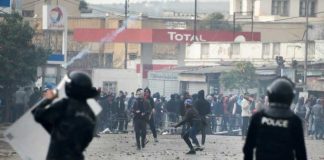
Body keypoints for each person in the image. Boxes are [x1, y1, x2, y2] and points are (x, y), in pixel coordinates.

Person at [32, 71, 98, 160]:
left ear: (70, 87)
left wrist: (48, 99)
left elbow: (37, 114)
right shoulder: (91, 114)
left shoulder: (65, 105)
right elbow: (86, 140)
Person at [243, 77, 307, 160]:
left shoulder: (258, 117)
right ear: (291, 97)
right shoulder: (294, 120)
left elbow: (248, 147)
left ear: (270, 94)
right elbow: (300, 152)